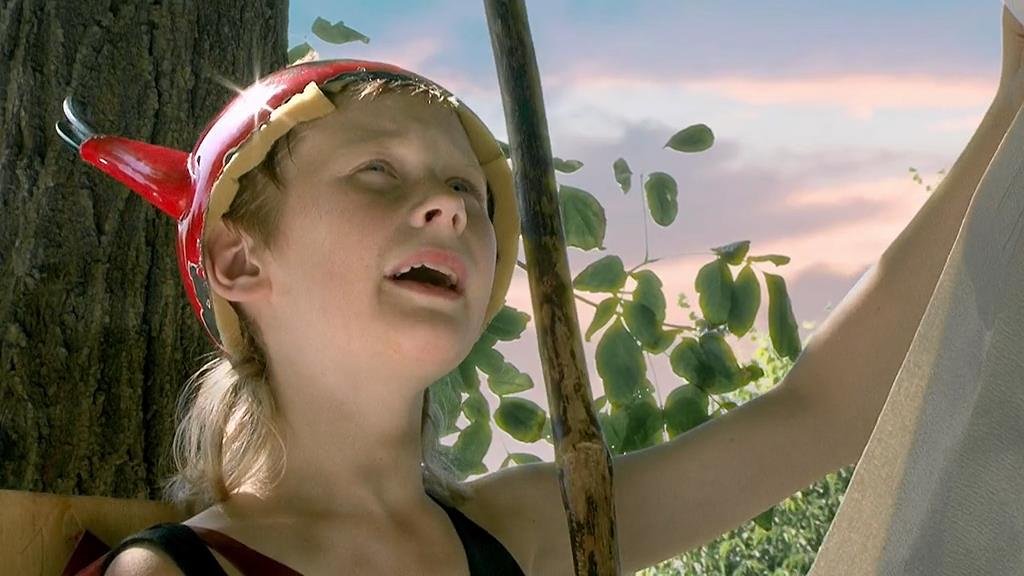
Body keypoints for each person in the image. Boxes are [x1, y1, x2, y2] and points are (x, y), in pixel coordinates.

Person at [59, 3, 1024, 574]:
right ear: (238, 262)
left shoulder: (526, 534)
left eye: (470, 192)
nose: (449, 205)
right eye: (378, 172)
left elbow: (823, 413)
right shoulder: (177, 574)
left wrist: (1014, 102)